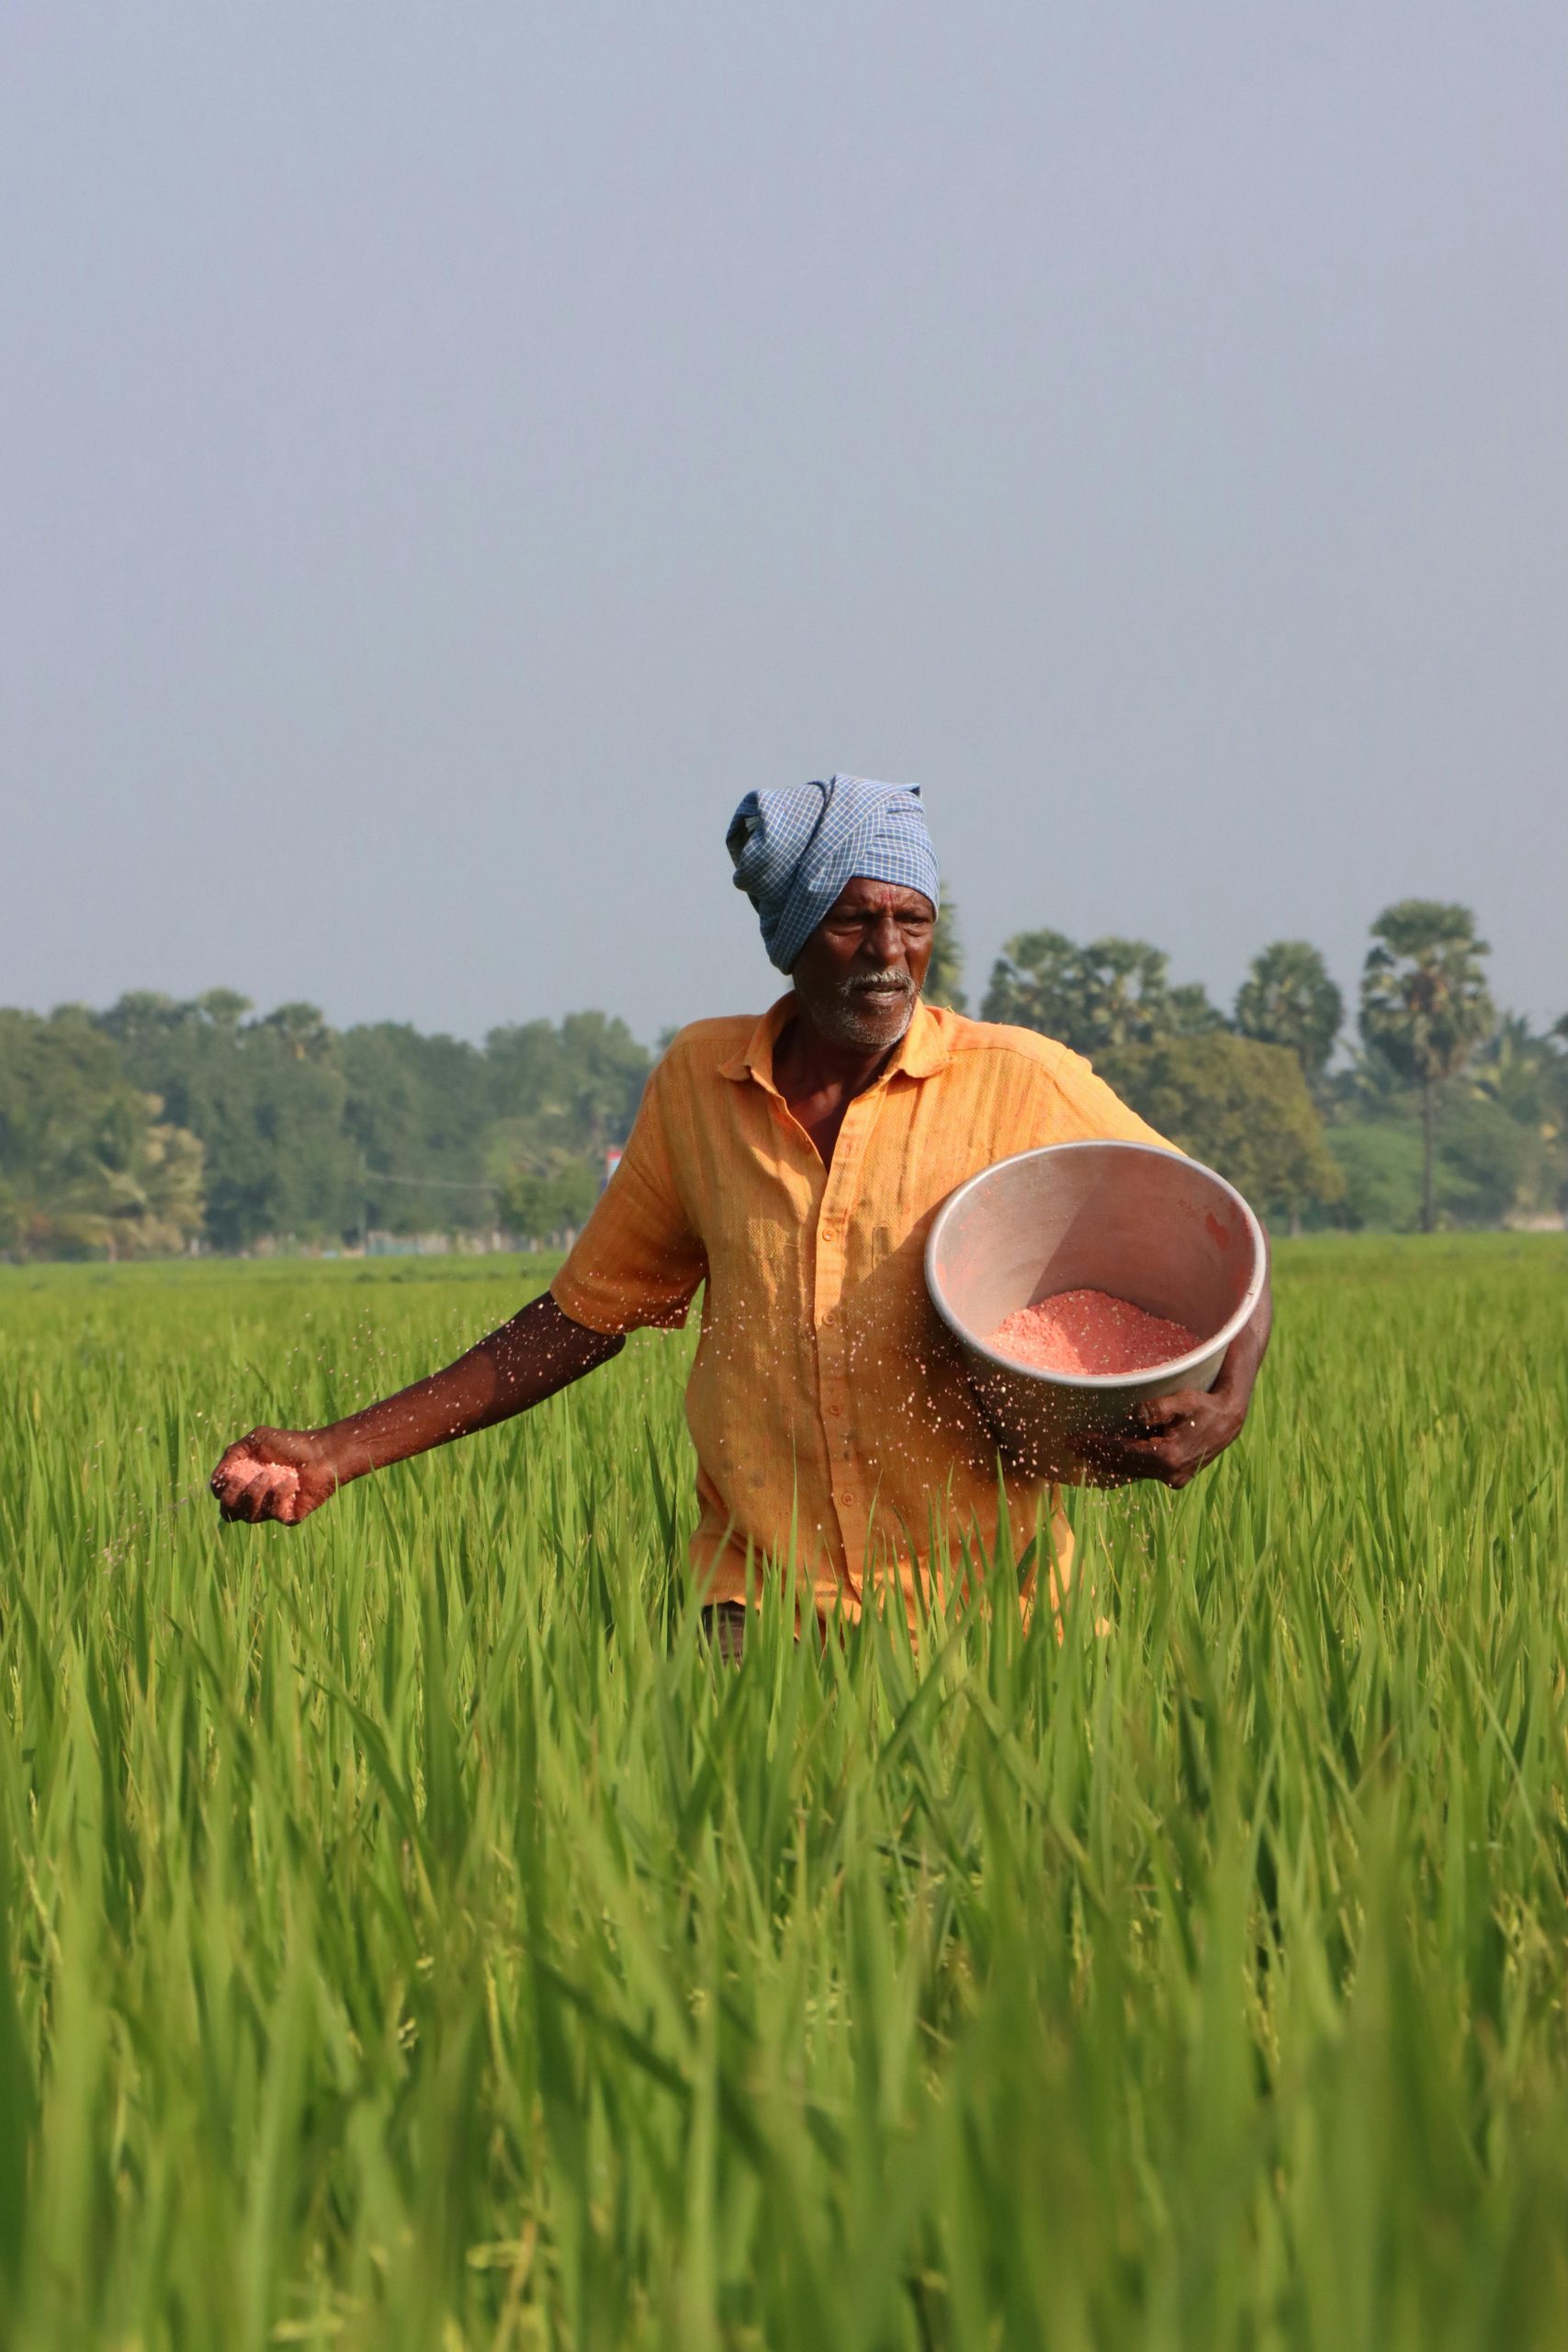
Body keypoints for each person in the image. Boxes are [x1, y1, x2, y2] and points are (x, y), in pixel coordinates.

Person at [210, 778, 1271, 1650]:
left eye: (913, 920)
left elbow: (1223, 1243)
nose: (889, 954)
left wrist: (1227, 1400)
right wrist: (337, 1451)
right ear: (794, 934)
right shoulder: (699, 1084)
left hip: (992, 1621)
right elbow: (583, 1318)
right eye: (854, 920)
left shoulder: (1020, 1081)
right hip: (756, 1615)